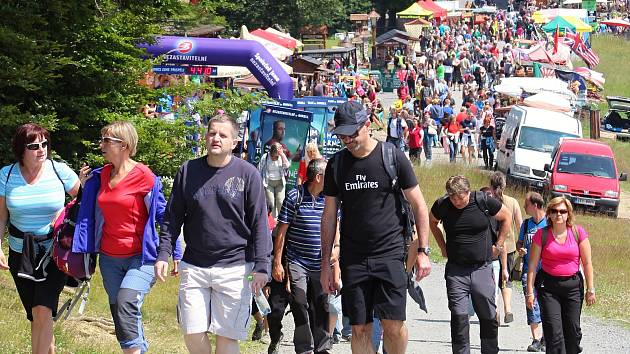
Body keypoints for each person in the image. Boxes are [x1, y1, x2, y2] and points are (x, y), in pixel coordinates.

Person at [320, 101, 432, 354]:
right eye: (342, 134)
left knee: (393, 325)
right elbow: (328, 217)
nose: (347, 139)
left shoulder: (392, 156)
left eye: (352, 132)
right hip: (354, 258)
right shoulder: (336, 165)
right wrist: (326, 263)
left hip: (390, 255)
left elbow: (419, 205)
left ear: (367, 125)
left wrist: (423, 251)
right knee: (359, 328)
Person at [155, 114, 272, 354]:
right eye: (212, 133)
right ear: (205, 137)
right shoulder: (188, 171)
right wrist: (163, 252)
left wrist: (262, 265)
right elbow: (172, 217)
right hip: (195, 267)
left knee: (226, 339)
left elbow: (260, 223)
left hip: (236, 268)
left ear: (234, 142)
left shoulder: (248, 174)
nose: (215, 138)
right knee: (192, 332)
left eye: (222, 135)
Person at [75, 121, 180, 354]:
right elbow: (84, 211)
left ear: (124, 145)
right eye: (101, 139)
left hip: (141, 259)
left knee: (126, 303)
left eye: (106, 140)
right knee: (121, 313)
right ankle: (139, 349)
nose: (101, 144)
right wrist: (84, 187)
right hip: (109, 258)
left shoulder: (144, 176)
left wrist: (176, 251)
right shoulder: (100, 175)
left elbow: (164, 215)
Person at [0, 123, 80, 354]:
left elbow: (83, 202)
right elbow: (1, 218)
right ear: (21, 149)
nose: (41, 149)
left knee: (43, 310)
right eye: (34, 145)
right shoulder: (7, 175)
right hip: (20, 254)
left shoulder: (59, 171)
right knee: (36, 315)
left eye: (44, 143)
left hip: (54, 252)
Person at [429, 175, 512, 354]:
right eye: (453, 197)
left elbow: (507, 217)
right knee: (459, 317)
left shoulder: (483, 201)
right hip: (456, 271)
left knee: (488, 316)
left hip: (481, 267)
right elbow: (432, 222)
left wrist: (498, 245)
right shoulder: (442, 205)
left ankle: (490, 350)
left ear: (468, 191)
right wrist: (442, 247)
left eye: (460, 197)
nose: (457, 201)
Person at [273, 158, 336, 354]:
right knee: (299, 302)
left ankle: (322, 347)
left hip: (321, 262)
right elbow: (281, 231)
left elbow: (337, 226)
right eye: (328, 175)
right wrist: (277, 262)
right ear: (318, 177)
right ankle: (304, 348)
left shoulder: (331, 198)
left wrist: (337, 250)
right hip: (297, 261)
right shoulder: (294, 196)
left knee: (321, 304)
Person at [526, 197, 596, 354]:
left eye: (563, 211)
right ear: (549, 213)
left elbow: (587, 263)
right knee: (553, 332)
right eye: (554, 211)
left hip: (572, 286)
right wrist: (530, 292)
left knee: (572, 332)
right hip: (548, 287)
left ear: (568, 214)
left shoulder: (578, 233)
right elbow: (532, 264)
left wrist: (590, 289)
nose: (559, 214)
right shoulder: (541, 234)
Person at [490, 172, 523, 325]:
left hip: (491, 245)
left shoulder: (488, 201)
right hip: (509, 247)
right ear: (504, 185)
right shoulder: (513, 202)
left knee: (492, 279)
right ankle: (508, 308)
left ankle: (494, 310)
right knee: (506, 278)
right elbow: (520, 225)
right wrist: (521, 243)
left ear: (491, 185)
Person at [517, 192, 546, 352]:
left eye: (526, 205)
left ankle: (545, 338)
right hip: (529, 272)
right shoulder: (526, 224)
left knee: (546, 304)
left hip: (546, 272)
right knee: (531, 303)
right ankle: (536, 339)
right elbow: (519, 242)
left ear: (535, 205)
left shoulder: (549, 223)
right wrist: (520, 249)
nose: (524, 207)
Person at [259, 144, 290, 218]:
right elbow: (259, 168)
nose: (274, 158)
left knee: (280, 202)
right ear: (271, 153)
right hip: (268, 183)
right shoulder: (265, 156)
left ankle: (280, 220)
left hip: (280, 182)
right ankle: (272, 221)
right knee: (271, 203)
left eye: (276, 157)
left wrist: (282, 155)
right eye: (273, 156)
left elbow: (287, 165)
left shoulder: (281, 156)